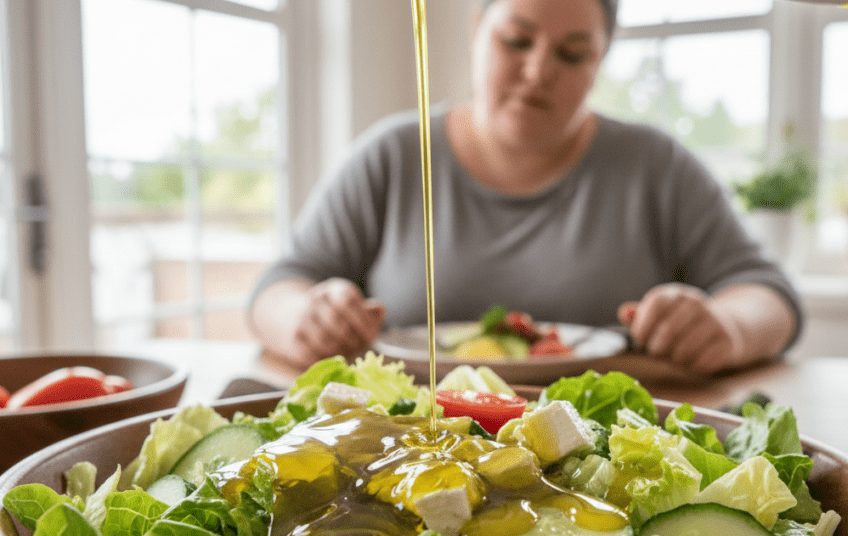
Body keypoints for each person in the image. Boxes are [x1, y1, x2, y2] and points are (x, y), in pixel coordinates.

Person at [248, 0, 803, 376]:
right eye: (516, 40)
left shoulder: (655, 163)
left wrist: (726, 326)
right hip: (409, 439)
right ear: (476, 31)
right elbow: (278, 287)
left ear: (601, 61)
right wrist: (305, 318)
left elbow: (768, 295)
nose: (539, 72)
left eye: (572, 54)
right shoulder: (393, 153)